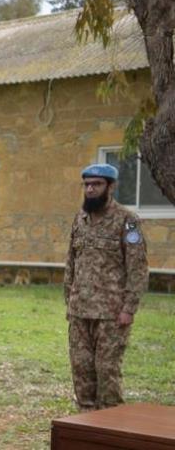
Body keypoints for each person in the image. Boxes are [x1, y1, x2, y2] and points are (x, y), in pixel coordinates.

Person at [64, 163, 149, 411]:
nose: (90, 189)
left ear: (111, 187)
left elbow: (137, 267)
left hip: (111, 314)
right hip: (80, 310)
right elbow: (71, 261)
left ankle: (110, 424)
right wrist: (69, 300)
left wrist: (129, 309)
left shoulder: (127, 221)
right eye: (87, 184)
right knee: (81, 369)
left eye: (97, 184)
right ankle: (85, 423)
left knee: (107, 371)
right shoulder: (80, 219)